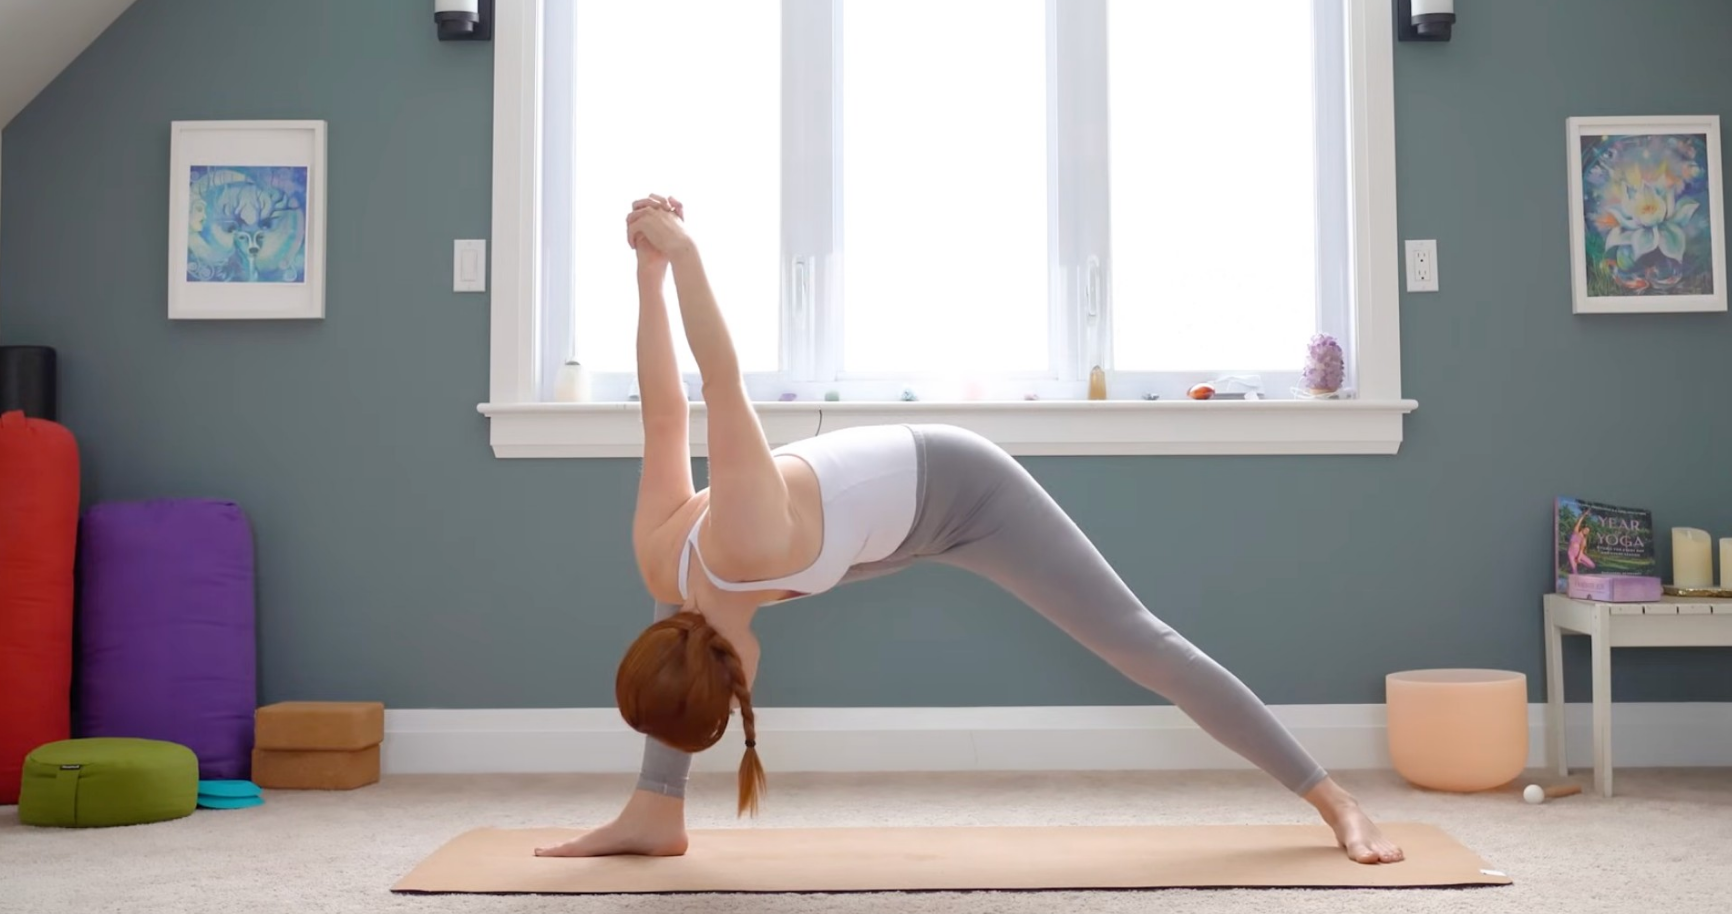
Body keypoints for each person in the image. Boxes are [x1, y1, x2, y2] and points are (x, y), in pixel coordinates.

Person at [534, 195, 1404, 865]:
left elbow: (718, 384)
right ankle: (656, 812)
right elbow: (660, 418)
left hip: (959, 490)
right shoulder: (662, 558)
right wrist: (645, 278)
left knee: (1138, 640)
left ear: (742, 686)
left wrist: (686, 257)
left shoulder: (745, 533)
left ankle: (1334, 801)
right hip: (859, 539)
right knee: (671, 602)